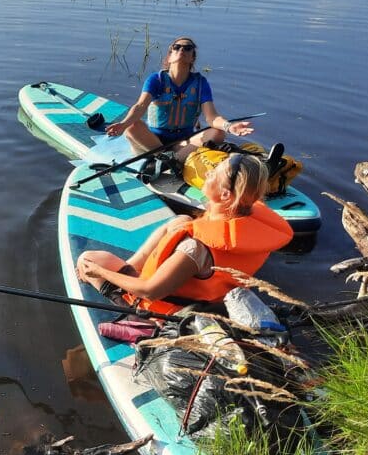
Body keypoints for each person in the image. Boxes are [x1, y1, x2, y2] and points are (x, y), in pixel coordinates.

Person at [76, 154, 292, 315]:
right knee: (182, 220)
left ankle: (127, 299)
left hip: (168, 309)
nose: (207, 174)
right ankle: (133, 267)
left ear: (225, 195)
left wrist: (100, 272)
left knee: (88, 259)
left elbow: (150, 291)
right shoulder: (250, 222)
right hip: (214, 297)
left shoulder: (195, 248)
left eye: (214, 174)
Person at [104, 36, 254, 162]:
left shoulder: (200, 83)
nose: (181, 50)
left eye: (187, 48)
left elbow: (212, 117)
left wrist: (229, 126)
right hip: (153, 141)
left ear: (192, 57)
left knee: (218, 133)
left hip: (183, 142)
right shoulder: (156, 80)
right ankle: (170, 159)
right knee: (132, 126)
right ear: (169, 56)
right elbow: (140, 106)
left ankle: (171, 160)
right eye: (176, 47)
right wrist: (123, 124)